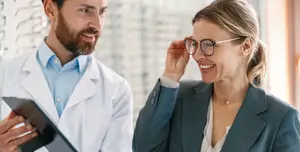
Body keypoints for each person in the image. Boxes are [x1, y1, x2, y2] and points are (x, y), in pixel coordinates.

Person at [133, 0, 300, 152]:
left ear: (245, 47)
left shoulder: (281, 118)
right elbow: (143, 148)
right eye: (195, 44)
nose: (197, 55)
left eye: (208, 44)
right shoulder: (179, 97)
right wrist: (170, 76)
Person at [0, 0, 133, 151]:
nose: (97, 24)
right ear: (51, 9)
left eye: (101, 12)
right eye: (85, 11)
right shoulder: (4, 75)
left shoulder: (116, 90)